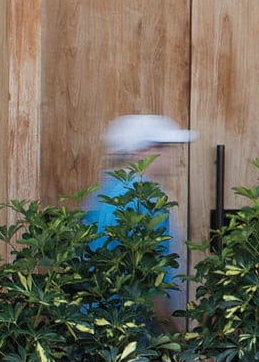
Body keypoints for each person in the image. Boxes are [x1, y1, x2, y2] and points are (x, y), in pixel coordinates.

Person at [82, 113, 197, 317]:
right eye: (167, 148)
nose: (175, 157)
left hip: (100, 326)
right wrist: (171, 336)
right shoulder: (145, 200)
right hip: (136, 332)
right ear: (145, 151)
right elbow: (151, 283)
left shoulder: (102, 194)